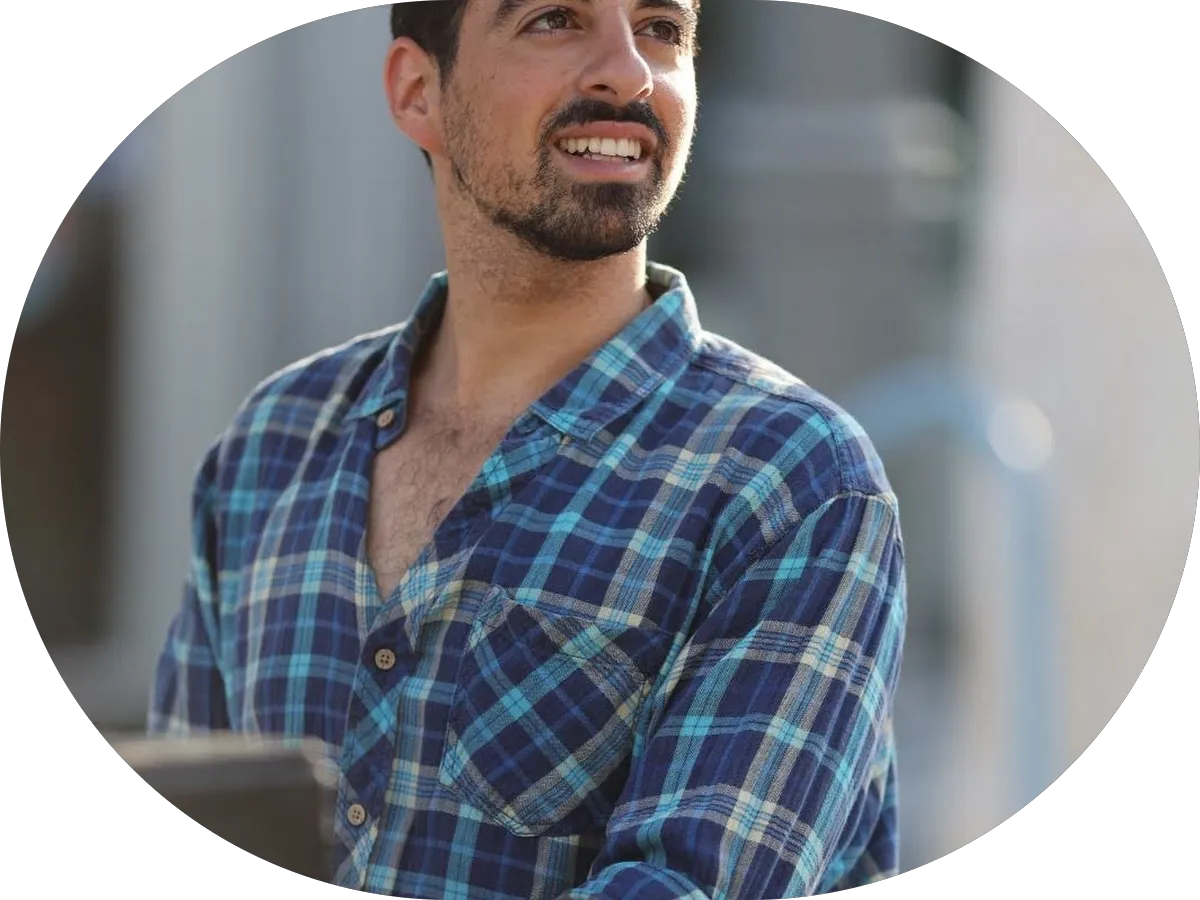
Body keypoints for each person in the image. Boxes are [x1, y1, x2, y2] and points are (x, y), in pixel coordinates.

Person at [148, 1, 908, 897]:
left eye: (661, 29)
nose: (629, 72)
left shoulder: (791, 481)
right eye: (556, 20)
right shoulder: (273, 446)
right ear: (418, 91)